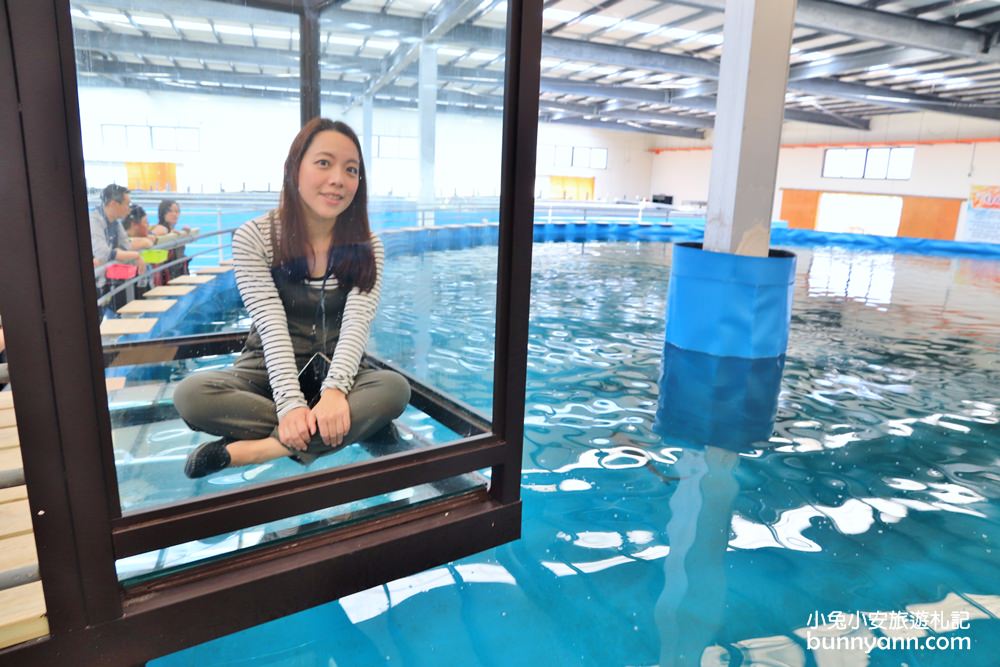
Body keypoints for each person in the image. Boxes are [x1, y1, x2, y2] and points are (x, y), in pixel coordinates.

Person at [175, 118, 410, 479]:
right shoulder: (255, 237)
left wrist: (334, 392)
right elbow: (270, 326)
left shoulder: (368, 245)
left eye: (351, 169)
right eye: (323, 163)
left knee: (393, 390)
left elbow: (356, 326)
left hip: (339, 371)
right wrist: (288, 406)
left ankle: (254, 451)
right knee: (192, 395)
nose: (338, 179)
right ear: (294, 169)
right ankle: (350, 427)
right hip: (267, 371)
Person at [90, 184, 145, 290]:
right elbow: (103, 253)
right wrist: (135, 255)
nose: (129, 209)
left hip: (105, 279)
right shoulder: (94, 221)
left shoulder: (115, 222)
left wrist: (119, 252)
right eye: (127, 204)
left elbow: (126, 245)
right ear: (114, 204)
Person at [154, 199, 190, 279]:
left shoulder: (173, 231)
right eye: (170, 211)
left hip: (175, 273)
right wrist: (171, 233)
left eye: (177, 211)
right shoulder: (161, 229)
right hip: (164, 275)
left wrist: (183, 234)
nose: (175, 214)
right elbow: (154, 235)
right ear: (163, 213)